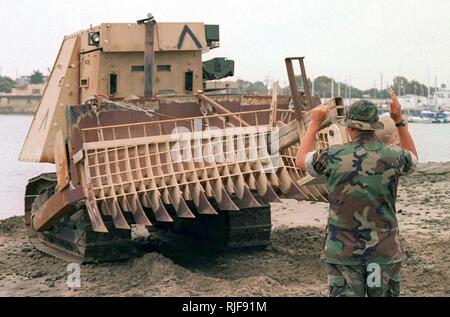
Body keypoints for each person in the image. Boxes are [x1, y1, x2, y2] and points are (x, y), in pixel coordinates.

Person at [295, 91, 418, 297]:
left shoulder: (332, 156)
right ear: (374, 128)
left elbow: (301, 161)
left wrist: (315, 123)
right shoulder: (394, 156)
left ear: (350, 128)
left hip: (344, 252)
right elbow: (413, 158)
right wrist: (399, 120)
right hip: (383, 251)